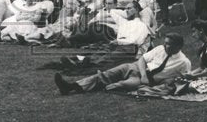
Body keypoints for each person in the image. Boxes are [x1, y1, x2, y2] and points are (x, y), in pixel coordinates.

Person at [55, 33, 190, 94]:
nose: (165, 46)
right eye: (165, 43)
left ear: (178, 46)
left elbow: (182, 80)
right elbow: (142, 59)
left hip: (145, 80)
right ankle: (71, 86)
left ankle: (102, 86)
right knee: (106, 74)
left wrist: (160, 81)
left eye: (169, 44)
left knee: (121, 85)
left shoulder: (183, 62)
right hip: (136, 68)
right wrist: (143, 74)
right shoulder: (160, 49)